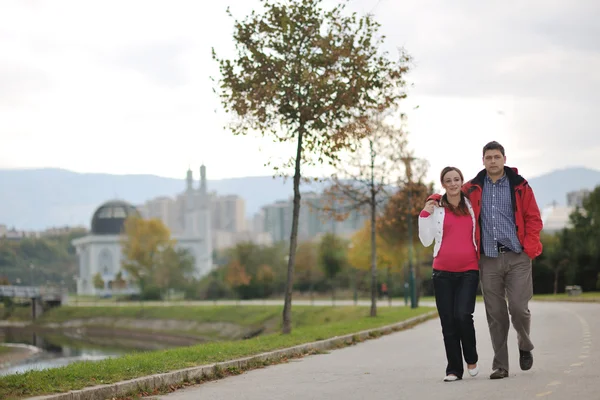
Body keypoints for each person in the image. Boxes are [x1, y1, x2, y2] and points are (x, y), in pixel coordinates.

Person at [462, 141, 543, 379]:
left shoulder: (520, 185)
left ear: (504, 159)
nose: (493, 161)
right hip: (488, 259)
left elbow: (533, 218)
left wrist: (528, 248)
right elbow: (451, 198)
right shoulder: (473, 188)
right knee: (495, 314)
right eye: (489, 157)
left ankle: (524, 345)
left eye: (497, 157)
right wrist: (434, 199)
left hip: (518, 256)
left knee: (519, 308)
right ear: (483, 161)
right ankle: (500, 365)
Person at [419, 166, 480, 382]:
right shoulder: (437, 208)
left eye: (456, 179)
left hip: (469, 271)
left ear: (461, 182)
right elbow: (426, 240)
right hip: (442, 272)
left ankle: (471, 357)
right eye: (448, 180)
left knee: (463, 316)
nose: (453, 183)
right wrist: (425, 213)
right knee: (448, 322)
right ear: (443, 184)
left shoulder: (472, 205)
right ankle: (454, 369)